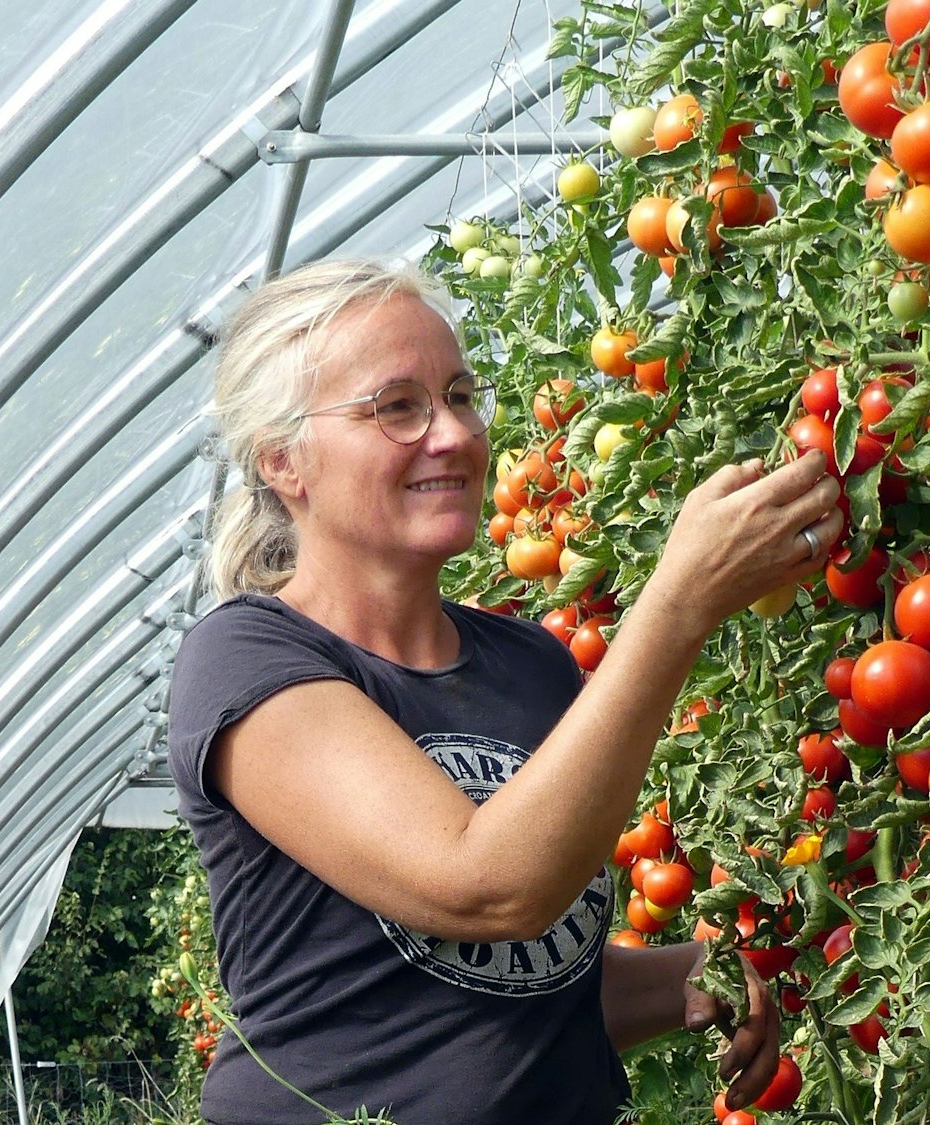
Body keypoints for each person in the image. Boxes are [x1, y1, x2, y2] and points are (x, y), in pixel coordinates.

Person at [166, 258, 844, 1125]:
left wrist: (690, 974)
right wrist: (680, 601)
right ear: (285, 462)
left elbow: (525, 987)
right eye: (398, 407)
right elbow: (486, 888)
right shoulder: (248, 659)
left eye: (458, 396)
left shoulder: (531, 665)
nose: (451, 433)